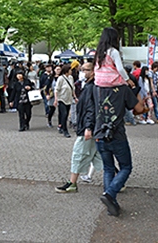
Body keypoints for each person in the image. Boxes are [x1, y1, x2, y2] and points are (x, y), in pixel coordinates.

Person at [94, 70, 149, 217]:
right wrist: (135, 91)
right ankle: (110, 194)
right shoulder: (123, 89)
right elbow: (138, 109)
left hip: (99, 134)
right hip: (117, 135)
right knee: (126, 167)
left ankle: (111, 205)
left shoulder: (97, 87)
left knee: (108, 169)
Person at [56, 62, 103, 193]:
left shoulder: (91, 87)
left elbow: (90, 109)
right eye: (81, 69)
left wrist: (88, 127)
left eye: (85, 70)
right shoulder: (90, 86)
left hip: (87, 129)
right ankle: (118, 180)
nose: (82, 72)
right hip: (89, 128)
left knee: (78, 154)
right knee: (100, 155)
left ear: (93, 72)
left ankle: (72, 183)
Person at [55, 64, 76, 138]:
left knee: (66, 114)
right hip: (62, 99)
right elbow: (56, 89)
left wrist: (74, 97)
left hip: (69, 99)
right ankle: (65, 130)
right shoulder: (60, 78)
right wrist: (56, 99)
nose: (71, 71)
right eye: (70, 70)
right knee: (63, 114)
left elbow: (72, 88)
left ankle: (61, 126)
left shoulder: (71, 78)